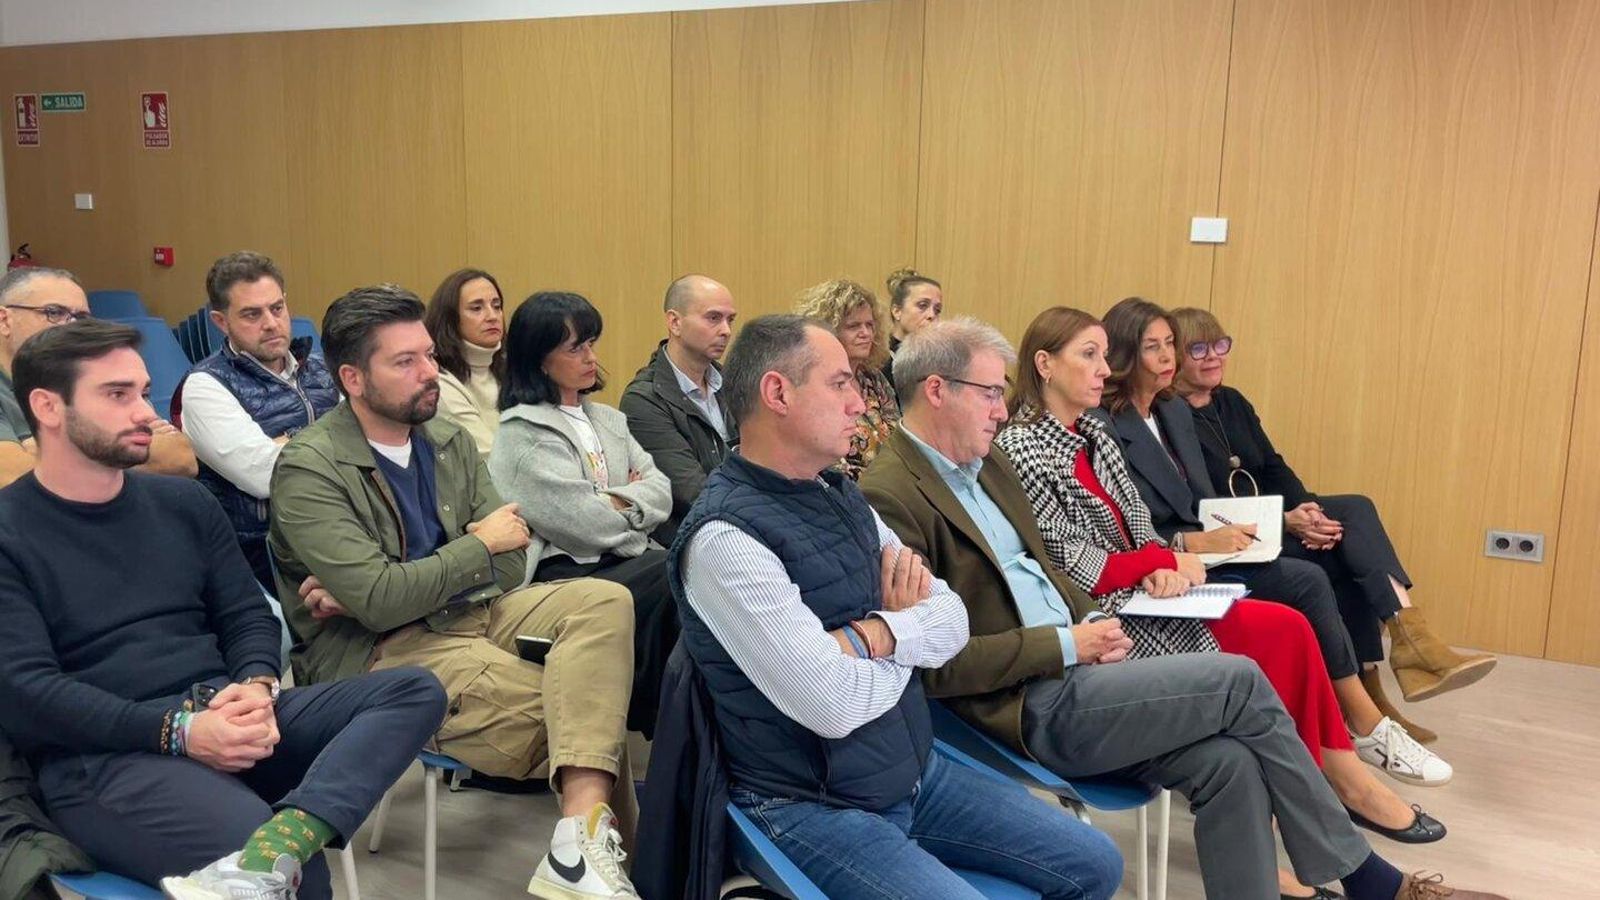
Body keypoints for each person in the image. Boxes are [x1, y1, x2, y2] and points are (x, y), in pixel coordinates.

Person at [860, 318, 1508, 900]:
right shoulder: (893, 495)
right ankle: (1369, 879)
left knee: (1230, 763)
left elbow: (1052, 571)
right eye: (990, 393)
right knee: (1240, 678)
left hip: (1087, 663)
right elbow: (932, 664)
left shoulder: (984, 463)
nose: (1003, 409)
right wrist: (1070, 644)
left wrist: (1092, 622)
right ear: (937, 390)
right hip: (1028, 702)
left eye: (1004, 393)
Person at [996, 308, 1451, 895]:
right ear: (1044, 364)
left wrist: (1166, 562)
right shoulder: (1021, 448)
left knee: (1286, 625)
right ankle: (1337, 812)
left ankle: (1339, 778)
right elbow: (1067, 560)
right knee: (1266, 643)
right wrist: (1162, 562)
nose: (1102, 369)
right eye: (1088, 355)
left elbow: (1140, 523)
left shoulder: (1096, 434)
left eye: (1105, 355)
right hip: (1107, 616)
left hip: (1153, 592)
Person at [673, 313, 1123, 900]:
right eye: (840, 383)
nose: (860, 403)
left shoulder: (839, 496)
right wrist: (908, 636)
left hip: (910, 771)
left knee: (1096, 863)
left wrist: (870, 638)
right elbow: (831, 705)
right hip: (811, 805)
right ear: (778, 393)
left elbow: (952, 620)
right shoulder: (724, 540)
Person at [0, 320, 445, 900]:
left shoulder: (182, 502)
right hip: (106, 758)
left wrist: (257, 684)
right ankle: (273, 856)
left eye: (142, 390)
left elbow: (246, 614)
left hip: (225, 714)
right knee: (300, 880)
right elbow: (28, 693)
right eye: (117, 395)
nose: (147, 413)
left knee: (412, 690)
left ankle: (283, 838)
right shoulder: (11, 531)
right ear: (47, 407)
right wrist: (180, 733)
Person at [267, 285, 641, 900]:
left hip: (467, 613)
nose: (428, 373)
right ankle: (602, 857)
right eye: (404, 362)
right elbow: (385, 604)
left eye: (428, 356)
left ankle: (580, 846)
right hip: (376, 655)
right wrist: (471, 549)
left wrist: (403, 578)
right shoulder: (311, 468)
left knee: (606, 599)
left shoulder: (446, 439)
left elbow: (513, 555)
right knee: (584, 712)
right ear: (353, 378)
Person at [1098, 297, 1451, 787]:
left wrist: (1263, 524)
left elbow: (1206, 499)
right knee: (1306, 579)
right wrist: (1203, 541)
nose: (1167, 358)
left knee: (1337, 550)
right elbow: (1122, 527)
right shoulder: (1104, 425)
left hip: (1215, 543)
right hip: (1165, 565)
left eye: (1169, 346)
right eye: (1152, 347)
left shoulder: (1173, 411)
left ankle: (1365, 717)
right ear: (1124, 356)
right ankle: (1365, 726)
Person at [1169, 306, 1495, 741]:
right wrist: (1287, 522)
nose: (1214, 357)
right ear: (1174, 357)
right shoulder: (1170, 415)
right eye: (1199, 348)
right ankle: (1395, 671)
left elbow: (1273, 467)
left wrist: (1309, 512)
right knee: (1344, 557)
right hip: (1233, 540)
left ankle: (1402, 644)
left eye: (1221, 344)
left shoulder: (1233, 402)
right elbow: (1203, 502)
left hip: (1277, 523)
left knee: (1351, 515)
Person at [491, 291, 678, 739]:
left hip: (624, 561)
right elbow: (580, 525)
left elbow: (663, 490)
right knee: (673, 569)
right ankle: (662, 725)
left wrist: (612, 501)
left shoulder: (610, 420)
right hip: (562, 574)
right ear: (539, 359)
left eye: (591, 343)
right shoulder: (521, 435)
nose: (591, 357)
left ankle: (673, 726)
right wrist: (629, 499)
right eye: (575, 348)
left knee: (684, 574)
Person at [176, 251, 341, 587]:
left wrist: (287, 441)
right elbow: (265, 476)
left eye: (277, 308)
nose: (270, 323)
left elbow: (372, 440)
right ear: (221, 322)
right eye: (252, 314)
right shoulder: (205, 386)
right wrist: (339, 440)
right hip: (264, 552)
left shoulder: (321, 369)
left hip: (339, 526)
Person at [0, 266, 196, 487]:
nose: (72, 326)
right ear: (4, 320)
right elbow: (11, 478)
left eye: (81, 318)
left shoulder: (99, 375)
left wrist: (46, 449)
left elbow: (181, 458)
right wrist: (119, 448)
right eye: (54, 313)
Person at [620, 274, 738, 545]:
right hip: (691, 538)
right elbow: (693, 492)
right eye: (713, 318)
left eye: (730, 319)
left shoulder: (735, 384)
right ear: (675, 322)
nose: (726, 330)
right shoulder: (643, 399)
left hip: (742, 521)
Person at [794, 278, 899, 478]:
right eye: (854, 326)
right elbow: (826, 462)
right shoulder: (814, 383)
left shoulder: (873, 378)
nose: (866, 333)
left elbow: (898, 437)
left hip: (892, 486)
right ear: (828, 331)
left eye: (869, 325)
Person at [425, 267, 507, 460]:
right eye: (476, 308)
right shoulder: (439, 382)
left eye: (497, 306)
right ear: (450, 319)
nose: (492, 316)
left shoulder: (509, 367)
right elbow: (490, 460)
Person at [882, 267, 943, 383]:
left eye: (937, 310)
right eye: (922, 305)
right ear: (897, 311)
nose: (931, 315)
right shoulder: (878, 361)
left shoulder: (937, 361)